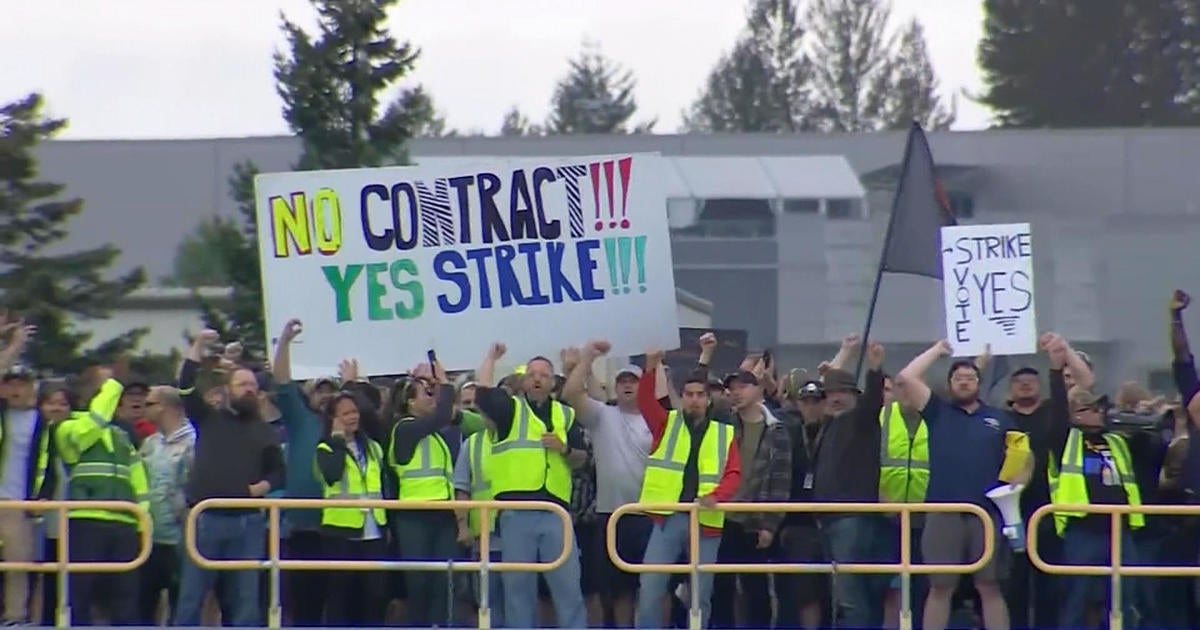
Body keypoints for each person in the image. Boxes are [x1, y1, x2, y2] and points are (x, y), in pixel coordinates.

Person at [895, 340, 1023, 630]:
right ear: (949, 383)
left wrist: (1017, 484)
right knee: (941, 587)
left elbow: (1023, 457)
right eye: (958, 378)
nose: (964, 383)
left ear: (980, 382)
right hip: (944, 511)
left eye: (970, 378)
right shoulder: (937, 411)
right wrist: (937, 351)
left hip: (987, 513)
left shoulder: (1000, 418)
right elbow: (906, 377)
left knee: (989, 587)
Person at [173, 329, 285, 627]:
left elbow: (278, 472)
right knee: (191, 597)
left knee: (245, 600)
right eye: (241, 384)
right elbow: (184, 385)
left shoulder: (264, 430)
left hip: (247, 524)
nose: (248, 389)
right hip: (205, 517)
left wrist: (261, 487)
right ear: (228, 390)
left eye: (252, 384)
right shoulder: (208, 417)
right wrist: (198, 345)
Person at [474, 342, 589, 629]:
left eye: (544, 375)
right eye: (532, 374)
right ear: (524, 382)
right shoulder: (510, 410)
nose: (537, 378)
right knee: (518, 590)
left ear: (552, 383)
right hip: (516, 512)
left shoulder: (566, 414)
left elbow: (582, 459)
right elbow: (484, 395)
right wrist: (490, 358)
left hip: (556, 513)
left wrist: (563, 449)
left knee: (568, 588)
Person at [634, 351, 741, 629]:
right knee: (650, 587)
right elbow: (645, 402)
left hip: (705, 520)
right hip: (668, 517)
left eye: (699, 395)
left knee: (700, 594)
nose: (694, 400)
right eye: (689, 394)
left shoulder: (723, 432)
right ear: (682, 398)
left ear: (707, 399)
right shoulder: (665, 423)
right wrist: (650, 367)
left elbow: (733, 473)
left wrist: (717, 497)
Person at [561, 340, 654, 628]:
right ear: (615, 387)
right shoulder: (603, 415)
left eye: (634, 381)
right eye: (622, 381)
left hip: (650, 513)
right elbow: (571, 392)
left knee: (652, 588)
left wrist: (655, 362)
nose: (628, 385)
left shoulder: (657, 419)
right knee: (617, 589)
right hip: (611, 514)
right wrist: (588, 358)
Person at [54, 367, 149, 626]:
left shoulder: (121, 435)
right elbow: (90, 430)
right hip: (87, 520)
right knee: (81, 594)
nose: (115, 391)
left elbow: (138, 479)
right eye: (107, 386)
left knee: (126, 596)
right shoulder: (69, 427)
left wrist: (143, 520)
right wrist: (113, 386)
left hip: (125, 524)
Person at [388, 361, 456, 627]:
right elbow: (441, 416)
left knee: (444, 582)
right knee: (419, 584)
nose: (431, 398)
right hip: (415, 516)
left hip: (441, 514)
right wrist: (446, 384)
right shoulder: (404, 429)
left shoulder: (433, 435)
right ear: (409, 403)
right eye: (425, 394)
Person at [314, 390, 389, 626]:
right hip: (340, 529)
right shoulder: (325, 448)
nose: (352, 417)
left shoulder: (374, 447)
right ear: (333, 418)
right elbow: (332, 475)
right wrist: (337, 439)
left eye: (354, 411)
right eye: (345, 413)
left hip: (374, 528)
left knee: (376, 593)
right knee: (340, 591)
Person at [137, 386, 196, 625]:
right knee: (143, 604)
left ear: (165, 407)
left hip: (180, 539)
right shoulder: (150, 443)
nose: (143, 408)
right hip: (149, 537)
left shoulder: (194, 442)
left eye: (149, 403)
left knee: (179, 603)